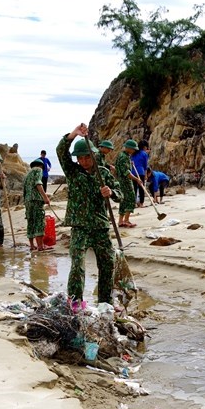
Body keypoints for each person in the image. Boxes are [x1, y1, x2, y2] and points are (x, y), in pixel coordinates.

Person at [57, 123, 122, 308]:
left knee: (107, 263)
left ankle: (105, 301)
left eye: (87, 157)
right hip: (80, 226)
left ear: (94, 155)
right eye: (81, 158)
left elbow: (120, 193)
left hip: (100, 225)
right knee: (77, 264)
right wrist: (73, 135)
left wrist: (111, 193)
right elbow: (61, 151)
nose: (84, 161)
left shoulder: (103, 174)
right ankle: (76, 302)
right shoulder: (73, 172)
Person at [23, 159, 52, 252]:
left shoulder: (27, 175)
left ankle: (32, 245)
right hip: (36, 200)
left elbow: (24, 191)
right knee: (39, 222)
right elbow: (38, 184)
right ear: (41, 166)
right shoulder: (38, 170)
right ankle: (40, 246)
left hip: (28, 201)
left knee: (30, 222)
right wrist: (45, 197)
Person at [114, 139, 141, 228]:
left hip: (120, 181)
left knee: (123, 200)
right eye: (133, 149)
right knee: (130, 198)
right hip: (125, 181)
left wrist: (130, 162)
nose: (134, 151)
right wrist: (136, 179)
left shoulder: (122, 156)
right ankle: (126, 220)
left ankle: (121, 221)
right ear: (128, 148)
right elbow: (126, 172)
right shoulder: (124, 157)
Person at [130, 140, 149, 207]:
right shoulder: (144, 154)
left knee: (134, 188)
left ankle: (134, 203)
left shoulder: (133, 153)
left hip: (133, 172)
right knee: (141, 188)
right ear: (144, 147)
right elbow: (145, 165)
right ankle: (141, 203)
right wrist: (146, 174)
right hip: (141, 172)